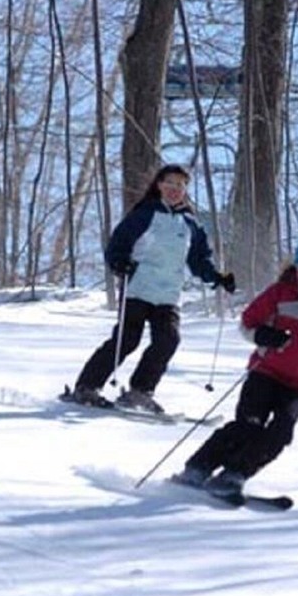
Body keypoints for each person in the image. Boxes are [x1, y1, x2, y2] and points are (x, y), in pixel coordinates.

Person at [170, 237, 298, 498]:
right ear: (295, 265)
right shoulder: (278, 292)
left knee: (280, 433)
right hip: (266, 372)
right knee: (248, 426)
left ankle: (235, 474)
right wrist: (264, 335)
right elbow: (247, 323)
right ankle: (197, 468)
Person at [66, 163, 235, 413]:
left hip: (168, 294)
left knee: (168, 339)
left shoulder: (190, 223)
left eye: (181, 185)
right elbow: (118, 243)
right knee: (127, 340)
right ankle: (87, 387)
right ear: (159, 185)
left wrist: (218, 278)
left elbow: (199, 260)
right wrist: (119, 263)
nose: (175, 189)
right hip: (139, 288)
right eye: (170, 183)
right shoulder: (145, 213)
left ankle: (140, 391)